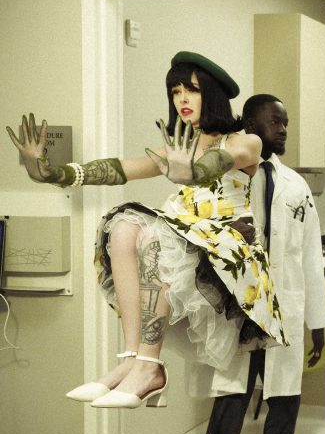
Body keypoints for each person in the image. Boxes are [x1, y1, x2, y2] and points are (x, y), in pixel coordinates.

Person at [6, 53, 288, 410]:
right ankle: (132, 359)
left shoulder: (244, 141)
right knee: (123, 228)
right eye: (175, 92)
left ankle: (150, 366)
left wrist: (191, 172)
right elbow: (121, 169)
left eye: (192, 90)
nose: (182, 99)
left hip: (224, 249)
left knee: (156, 237)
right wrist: (54, 173)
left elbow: (217, 164)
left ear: (212, 94)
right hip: (186, 236)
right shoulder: (178, 147)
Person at [194, 94, 325, 434]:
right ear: (251, 126)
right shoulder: (223, 177)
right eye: (275, 122)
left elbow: (310, 257)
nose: (283, 129)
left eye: (286, 122)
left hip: (282, 316)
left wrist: (317, 323)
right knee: (227, 415)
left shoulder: (296, 185)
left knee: (283, 413)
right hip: (239, 316)